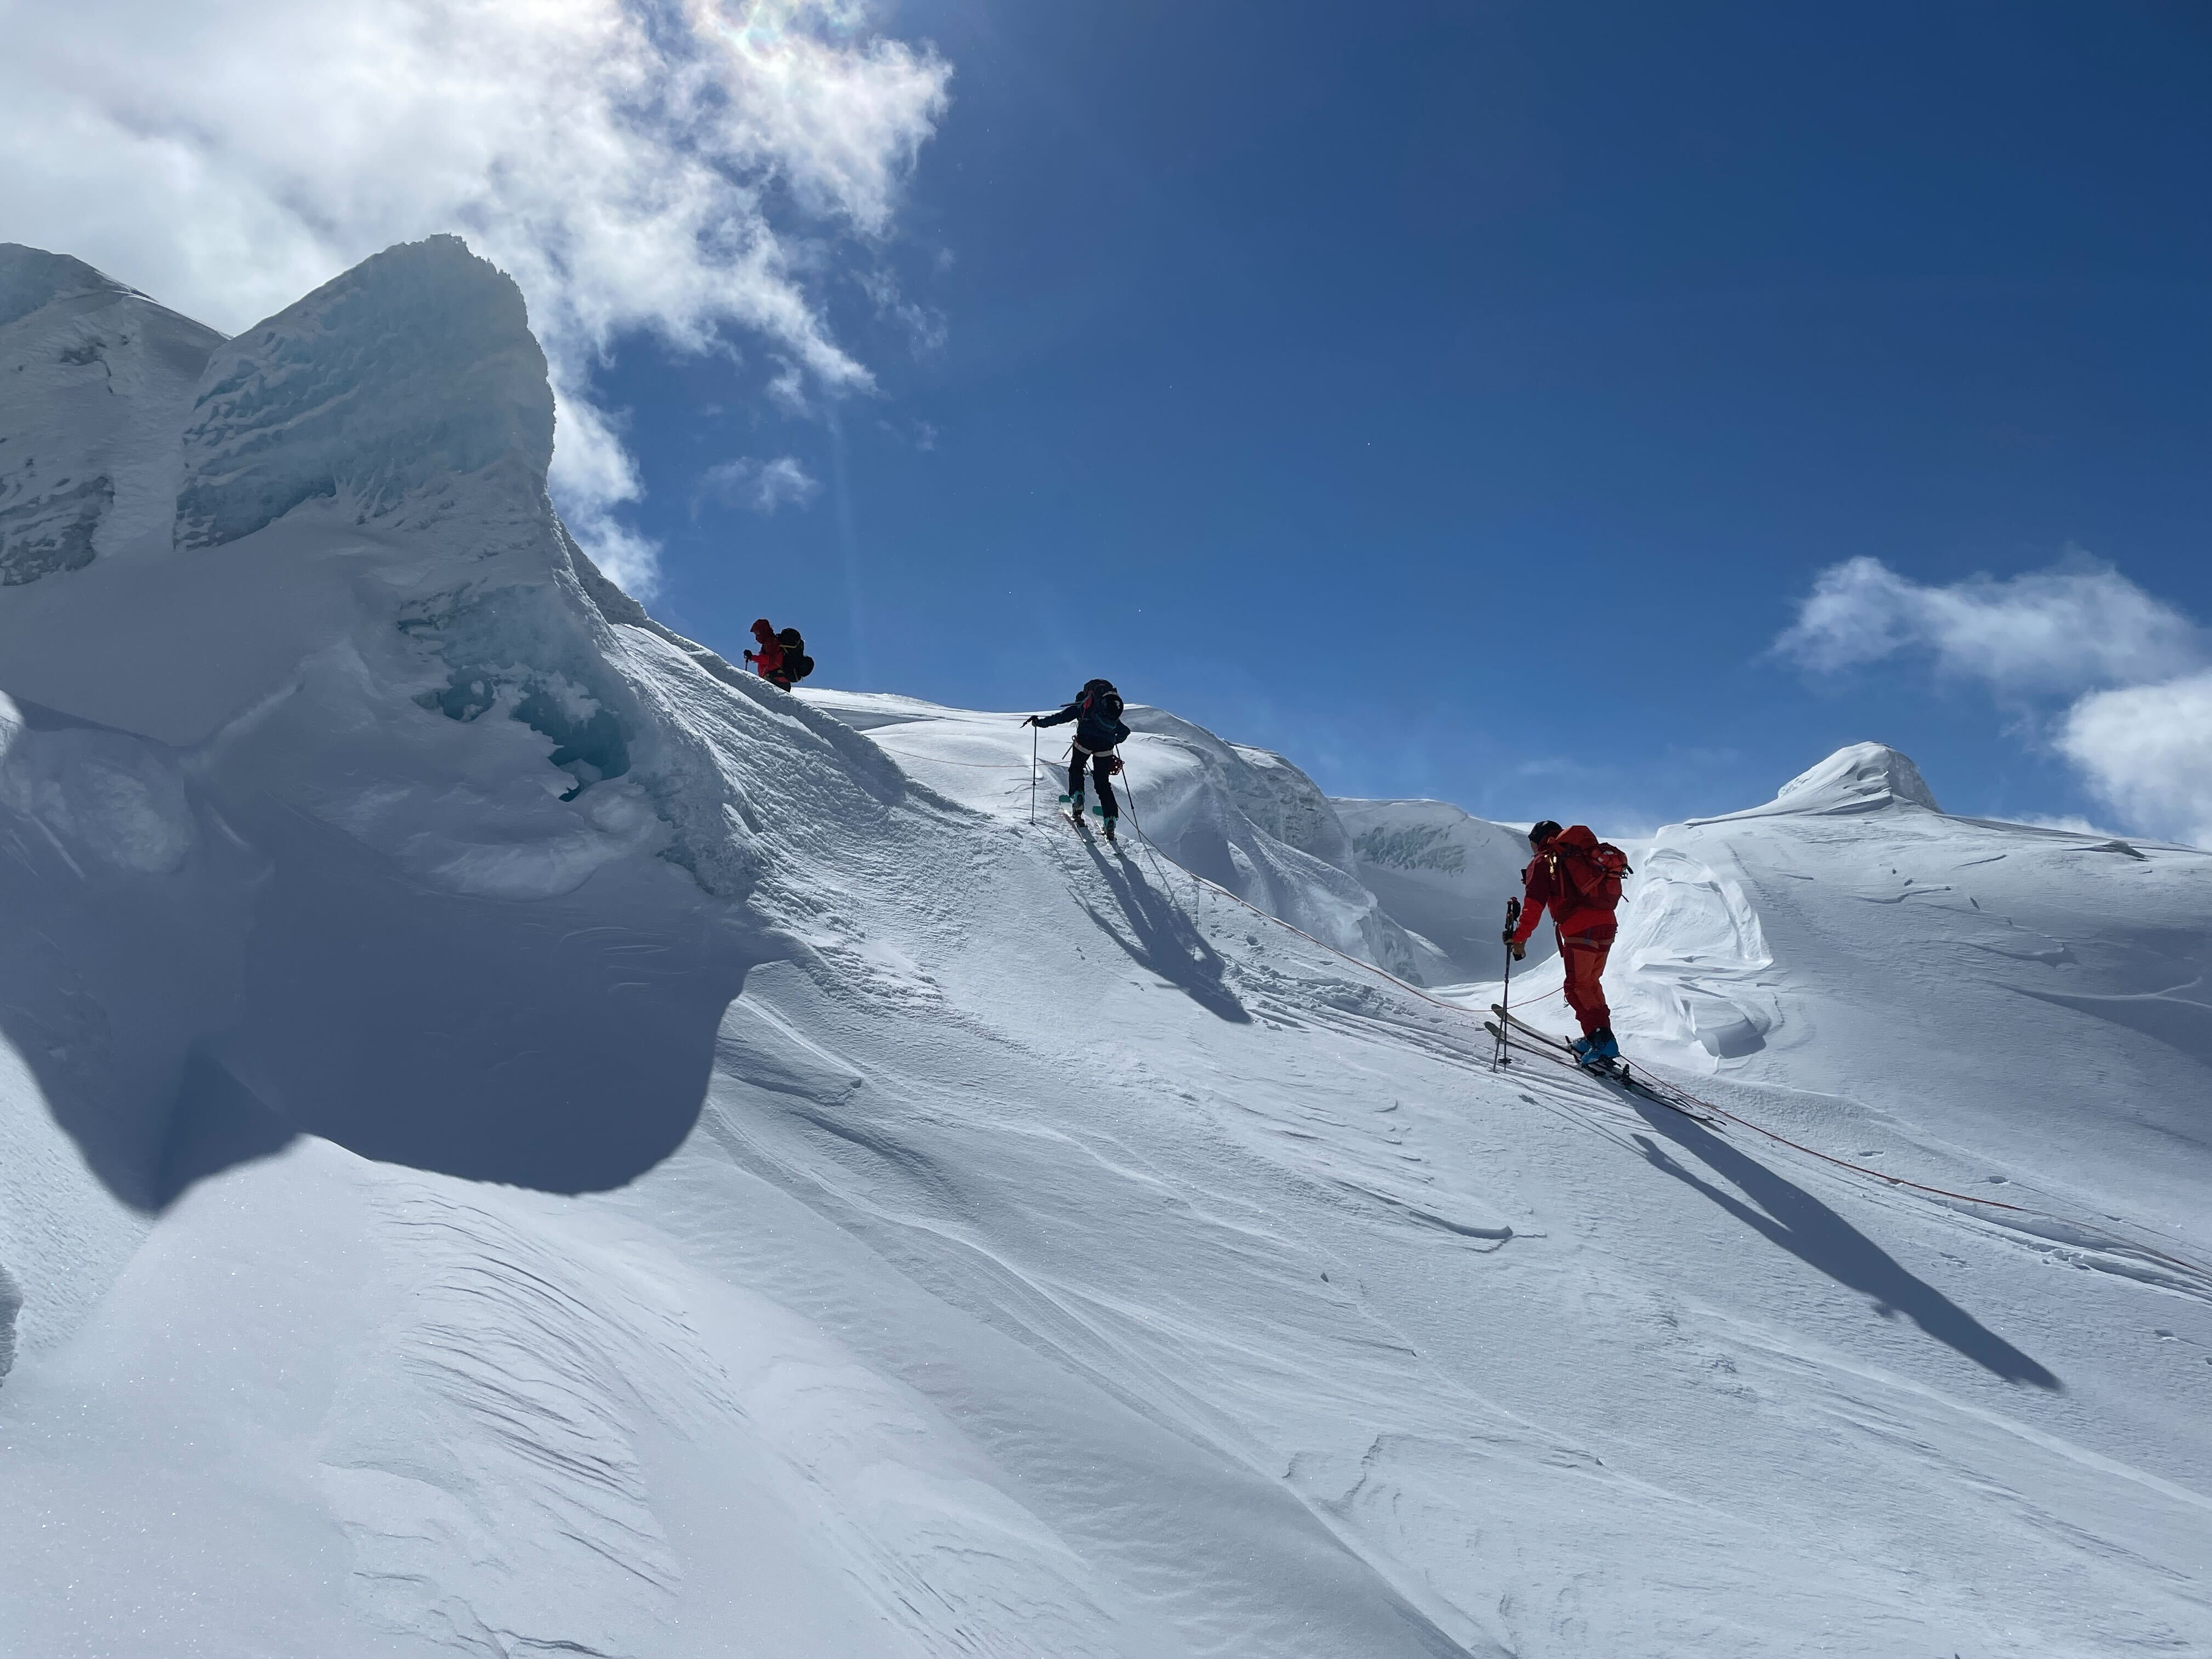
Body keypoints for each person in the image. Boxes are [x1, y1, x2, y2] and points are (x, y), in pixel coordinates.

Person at [1505, 820, 1632, 1070]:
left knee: (1576, 987)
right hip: (1607, 925)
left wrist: (1519, 938)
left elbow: (1533, 906)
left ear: (1538, 840)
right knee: (1590, 984)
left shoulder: (1545, 861)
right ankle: (1596, 1036)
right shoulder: (1583, 856)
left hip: (1580, 929)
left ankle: (1601, 1042)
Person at [1024, 678, 1131, 842]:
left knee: (1076, 769)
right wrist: (1112, 741)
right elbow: (1125, 732)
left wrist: (1039, 723)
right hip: (1105, 748)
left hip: (1084, 742)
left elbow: (1060, 718)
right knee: (1103, 784)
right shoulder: (1109, 710)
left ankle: (1078, 798)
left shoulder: (1084, 705)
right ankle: (1110, 820)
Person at [743, 619, 814, 690]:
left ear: (763, 631)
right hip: (781, 680)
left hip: (775, 680)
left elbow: (769, 660)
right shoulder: (775, 642)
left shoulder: (770, 642)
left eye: (757, 633)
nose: (756, 636)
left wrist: (752, 657)